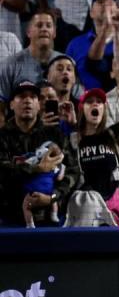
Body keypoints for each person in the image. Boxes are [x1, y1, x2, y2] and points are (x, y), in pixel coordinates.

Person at [0, 79, 80, 227]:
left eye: (33, 97)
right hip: (10, 220)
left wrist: (52, 197)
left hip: (52, 219)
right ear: (11, 104)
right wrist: (37, 169)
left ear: (38, 105)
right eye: (21, 96)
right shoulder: (2, 137)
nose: (27, 101)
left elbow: (73, 172)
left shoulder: (55, 135)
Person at [68, 78, 119, 227]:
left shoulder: (111, 134)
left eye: (99, 102)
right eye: (90, 102)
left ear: (103, 109)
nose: (95, 104)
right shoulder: (73, 139)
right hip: (86, 204)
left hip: (112, 200)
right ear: (82, 109)